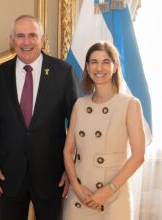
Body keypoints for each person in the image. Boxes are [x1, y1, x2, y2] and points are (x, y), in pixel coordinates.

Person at [0, 15, 79, 220]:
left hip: (52, 175)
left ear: (43, 39)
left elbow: (77, 125)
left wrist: (71, 168)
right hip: (8, 175)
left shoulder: (63, 71)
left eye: (32, 35)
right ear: (11, 40)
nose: (26, 42)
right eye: (20, 36)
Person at [62, 41, 145, 219]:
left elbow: (138, 156)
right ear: (87, 66)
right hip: (80, 196)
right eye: (93, 62)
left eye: (106, 62)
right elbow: (68, 152)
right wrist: (76, 187)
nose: (99, 68)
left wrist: (108, 191)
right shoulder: (80, 105)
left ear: (115, 67)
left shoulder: (130, 104)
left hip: (113, 196)